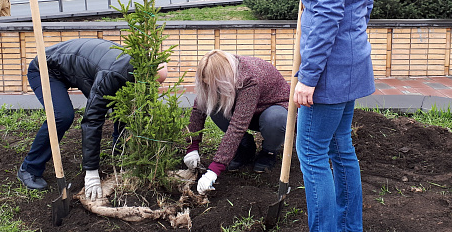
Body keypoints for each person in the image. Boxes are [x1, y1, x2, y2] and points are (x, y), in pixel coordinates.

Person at [263, 0, 375, 232]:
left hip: (328, 72)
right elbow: (364, 2)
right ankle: (347, 227)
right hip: (351, 62)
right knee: (341, 148)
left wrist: (308, 78)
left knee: (311, 153)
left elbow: (328, 14)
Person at [17, 38, 168, 201]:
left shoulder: (131, 67)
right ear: (142, 74)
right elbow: (92, 120)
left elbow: (125, 109)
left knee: (123, 104)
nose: (152, 89)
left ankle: (119, 153)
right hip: (47, 69)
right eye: (151, 84)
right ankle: (29, 168)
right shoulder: (112, 74)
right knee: (62, 116)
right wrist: (91, 172)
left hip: (76, 66)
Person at [183, 49, 290, 195]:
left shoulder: (249, 78)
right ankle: (245, 147)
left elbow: (238, 125)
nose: (209, 87)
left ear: (222, 79)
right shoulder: (219, 71)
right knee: (212, 104)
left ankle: (269, 151)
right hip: (244, 109)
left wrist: (214, 170)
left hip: (271, 110)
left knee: (275, 119)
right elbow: (199, 107)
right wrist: (192, 147)